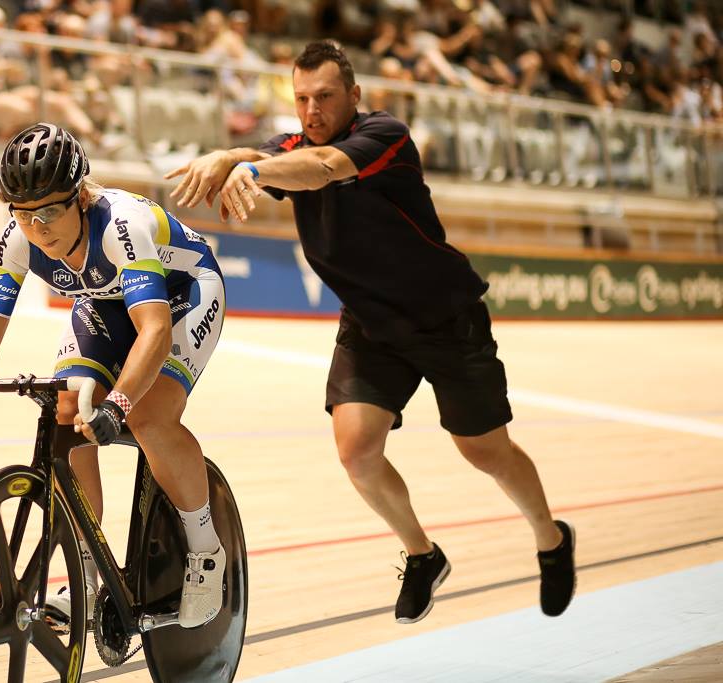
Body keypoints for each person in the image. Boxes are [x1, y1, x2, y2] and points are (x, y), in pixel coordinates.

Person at [166, 40, 576, 624]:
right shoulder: (290, 145)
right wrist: (224, 157)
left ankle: (551, 539)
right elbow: (267, 153)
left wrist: (247, 167)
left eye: (325, 97)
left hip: (445, 317)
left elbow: (323, 169)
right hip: (371, 323)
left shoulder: (385, 136)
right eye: (302, 98)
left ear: (354, 96)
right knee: (357, 452)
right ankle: (422, 555)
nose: (312, 110)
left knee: (484, 451)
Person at [0, 123, 227, 629]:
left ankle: (206, 551)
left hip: (182, 298)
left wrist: (120, 405)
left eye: (49, 211)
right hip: (105, 306)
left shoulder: (120, 224)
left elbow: (152, 331)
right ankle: (87, 572)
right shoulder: (17, 239)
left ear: (81, 196)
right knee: (68, 410)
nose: (37, 228)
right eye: (23, 214)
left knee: (150, 416)